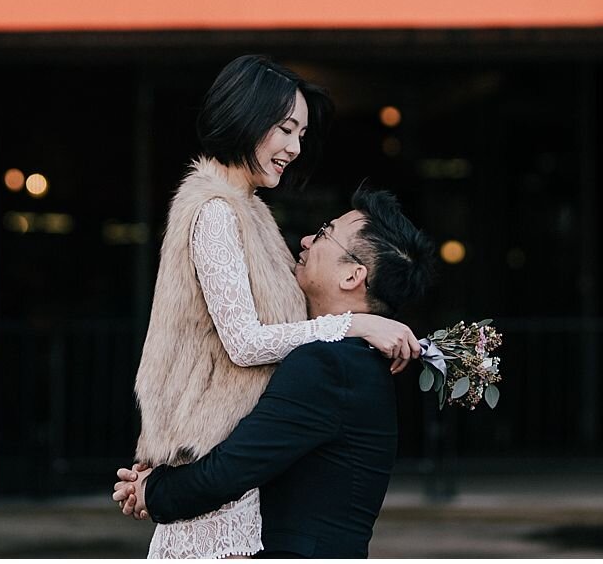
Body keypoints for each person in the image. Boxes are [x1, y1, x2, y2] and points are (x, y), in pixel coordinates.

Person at [132, 56, 421, 559]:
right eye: (286, 129)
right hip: (209, 456)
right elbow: (244, 343)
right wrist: (355, 322)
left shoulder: (252, 214)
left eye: (302, 135)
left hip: (233, 472)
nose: (295, 148)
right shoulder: (217, 212)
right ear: (246, 115)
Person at [116, 187, 437, 558]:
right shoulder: (351, 356)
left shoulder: (329, 364)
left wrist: (150, 490)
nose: (304, 240)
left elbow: (230, 469)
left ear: (352, 276)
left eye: (323, 233)